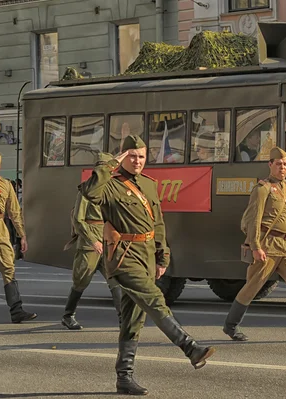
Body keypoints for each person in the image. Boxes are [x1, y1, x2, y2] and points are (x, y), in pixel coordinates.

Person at [81, 136, 214, 395]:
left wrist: (162, 256)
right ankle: (190, 348)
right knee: (154, 300)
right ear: (123, 157)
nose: (138, 161)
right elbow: (89, 192)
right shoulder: (110, 184)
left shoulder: (149, 186)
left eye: (141, 156)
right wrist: (110, 164)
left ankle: (124, 377)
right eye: (132, 156)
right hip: (124, 257)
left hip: (146, 256)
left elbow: (158, 224)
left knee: (133, 319)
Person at [223, 147, 286, 343]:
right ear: (270, 164)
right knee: (254, 285)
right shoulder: (262, 189)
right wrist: (255, 246)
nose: (282, 167)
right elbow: (254, 219)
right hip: (268, 246)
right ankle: (231, 325)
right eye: (278, 164)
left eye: (285, 164)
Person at [61, 153, 123, 330]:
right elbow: (79, 219)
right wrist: (93, 241)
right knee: (81, 280)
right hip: (90, 243)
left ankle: (123, 318)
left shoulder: (111, 189)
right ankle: (68, 315)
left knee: (115, 280)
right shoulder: (86, 191)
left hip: (108, 240)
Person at [0, 151, 36, 324]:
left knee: (9, 270)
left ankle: (16, 311)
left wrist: (22, 236)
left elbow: (14, 212)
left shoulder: (6, 185)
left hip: (0, 233)